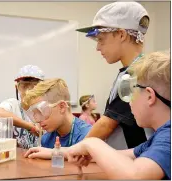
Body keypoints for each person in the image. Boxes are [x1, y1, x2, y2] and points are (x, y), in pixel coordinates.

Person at [67, 51, 171, 180]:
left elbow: (136, 175)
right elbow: (121, 155)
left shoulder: (168, 136)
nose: (129, 102)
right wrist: (55, 152)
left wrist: (91, 143)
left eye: (132, 92)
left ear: (150, 96)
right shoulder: (158, 137)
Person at [76, 1, 152, 149]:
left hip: (137, 164)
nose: (98, 47)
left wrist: (71, 151)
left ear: (121, 34)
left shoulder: (135, 74)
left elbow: (107, 124)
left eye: (101, 39)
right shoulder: (136, 70)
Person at [22, 78, 91, 159]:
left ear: (62, 107)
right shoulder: (46, 139)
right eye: (35, 114)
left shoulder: (87, 134)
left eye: (42, 111)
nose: (38, 120)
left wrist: (55, 153)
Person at [0, 65, 44, 149]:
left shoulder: (46, 108)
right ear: (17, 87)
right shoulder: (13, 105)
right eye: (24, 85)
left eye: (34, 86)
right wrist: (30, 126)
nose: (28, 90)